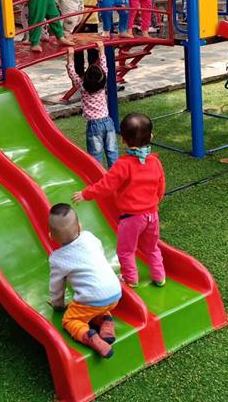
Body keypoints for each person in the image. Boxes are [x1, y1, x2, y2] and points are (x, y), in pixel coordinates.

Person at [72, 113, 166, 287]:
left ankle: (130, 278)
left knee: (125, 250)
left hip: (132, 218)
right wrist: (156, 200)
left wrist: (86, 194)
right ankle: (159, 276)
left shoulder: (123, 165)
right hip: (152, 215)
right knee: (152, 247)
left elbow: (106, 185)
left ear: (123, 140)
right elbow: (161, 185)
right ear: (151, 136)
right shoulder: (155, 162)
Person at [48, 203, 122, 358]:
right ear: (80, 227)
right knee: (96, 308)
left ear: (51, 236)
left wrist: (58, 304)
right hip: (115, 293)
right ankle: (106, 321)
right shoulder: (89, 237)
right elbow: (100, 254)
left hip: (92, 300)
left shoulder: (57, 259)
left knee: (70, 320)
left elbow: (56, 286)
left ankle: (91, 338)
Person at [65, 41, 117, 169]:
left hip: (94, 126)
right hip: (108, 122)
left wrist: (70, 56)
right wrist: (101, 49)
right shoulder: (102, 85)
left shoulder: (82, 87)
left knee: (95, 154)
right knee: (112, 151)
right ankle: (115, 174)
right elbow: (104, 66)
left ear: (85, 79)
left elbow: (72, 73)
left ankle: (98, 175)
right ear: (103, 78)